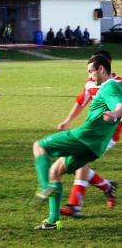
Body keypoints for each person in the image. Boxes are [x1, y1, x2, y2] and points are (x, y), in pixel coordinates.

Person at [32, 54, 122, 230]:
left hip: (84, 137)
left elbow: (120, 106)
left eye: (91, 72)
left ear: (101, 69)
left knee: (39, 146)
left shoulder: (109, 87)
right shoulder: (112, 86)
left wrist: (115, 113)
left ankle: (45, 187)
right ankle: (53, 221)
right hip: (95, 147)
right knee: (55, 170)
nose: (90, 76)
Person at [59, 50, 121, 217]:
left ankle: (75, 206)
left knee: (79, 161)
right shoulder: (90, 83)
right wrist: (67, 121)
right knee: (78, 162)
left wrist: (114, 114)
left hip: (108, 135)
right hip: (92, 132)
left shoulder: (118, 84)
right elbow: (81, 102)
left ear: (104, 66)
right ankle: (107, 186)